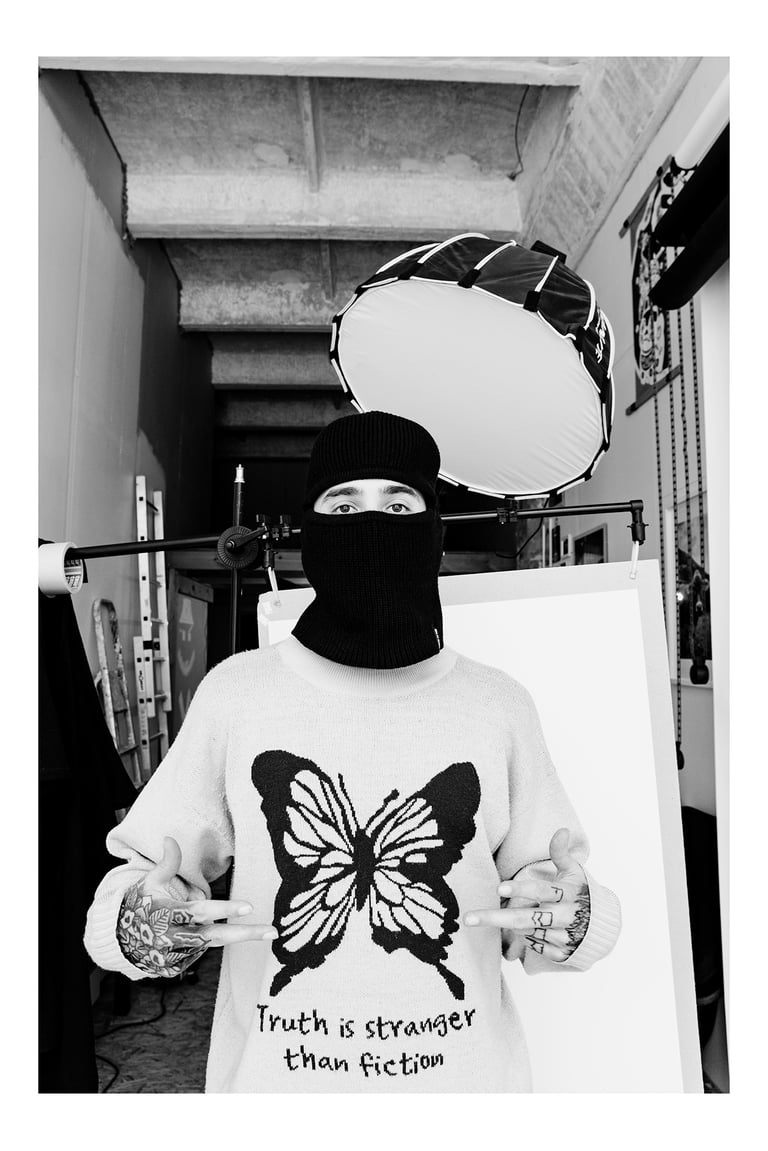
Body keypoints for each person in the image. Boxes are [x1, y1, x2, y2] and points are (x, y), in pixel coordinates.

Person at [84, 409, 621, 1093]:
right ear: (310, 528)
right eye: (343, 504)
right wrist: (140, 922)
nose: (372, 524)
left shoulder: (498, 704)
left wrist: (576, 920)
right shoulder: (237, 693)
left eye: (399, 504)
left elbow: (556, 896)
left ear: (432, 529)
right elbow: (138, 880)